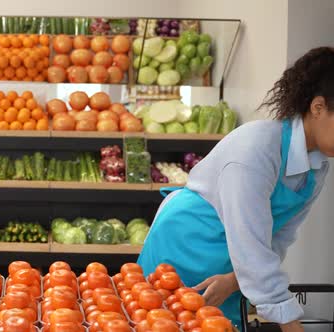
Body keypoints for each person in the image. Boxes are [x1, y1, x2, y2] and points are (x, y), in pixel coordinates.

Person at [138, 46, 334, 332]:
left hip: (232, 267)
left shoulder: (317, 169)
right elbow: (252, 247)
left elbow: (277, 239)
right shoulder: (256, 150)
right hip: (185, 245)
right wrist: (292, 325)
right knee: (164, 322)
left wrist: (234, 279)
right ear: (318, 107)